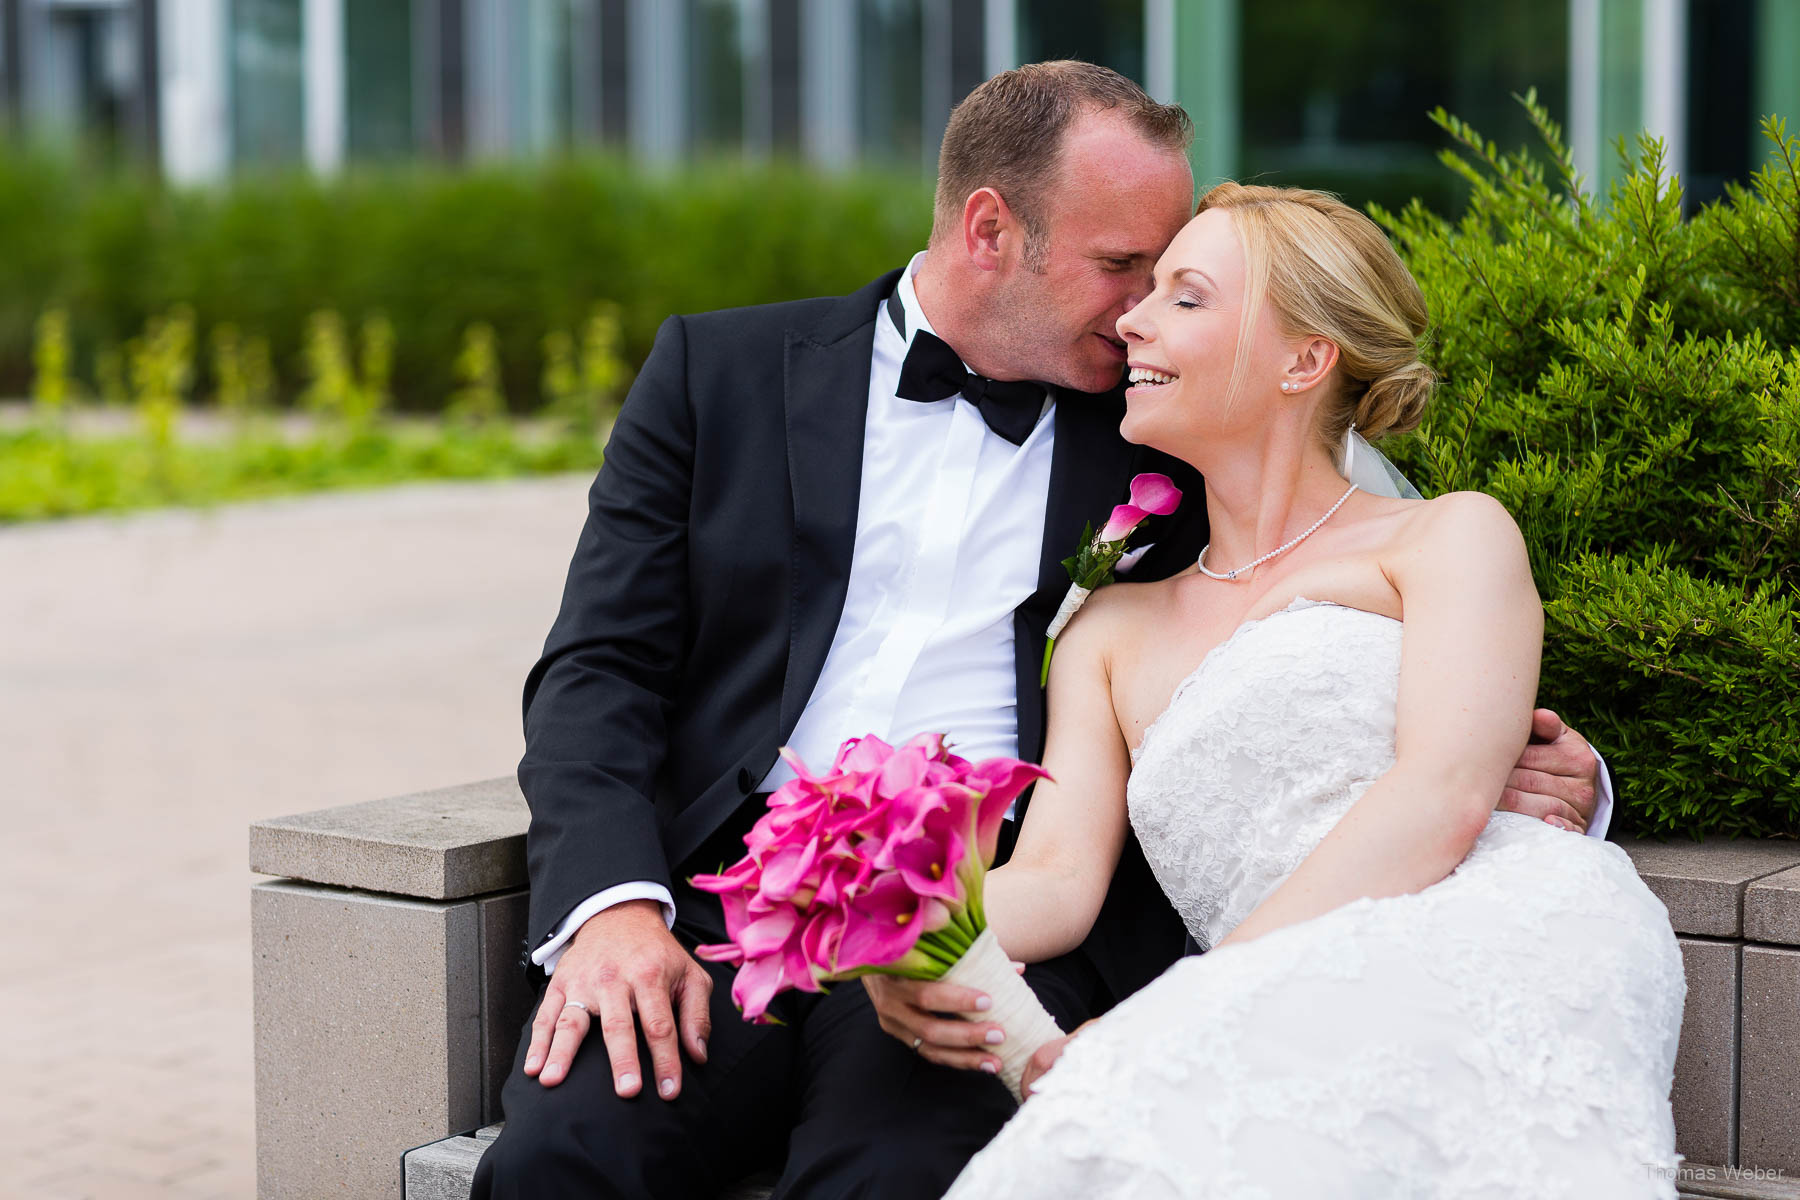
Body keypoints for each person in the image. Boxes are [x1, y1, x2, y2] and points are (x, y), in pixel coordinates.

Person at [472, 64, 1611, 1200]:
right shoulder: (714, 374)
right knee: (553, 1165)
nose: (1138, 312)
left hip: (1000, 923)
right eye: (1124, 267)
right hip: (728, 911)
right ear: (990, 229)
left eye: (1170, 282)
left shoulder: (1167, 423)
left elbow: (1310, 605)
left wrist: (1530, 758)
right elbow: (598, 670)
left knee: (899, 1176)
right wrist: (614, 906)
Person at [925, 184, 1684, 1199]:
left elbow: (1442, 797)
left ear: (1304, 359)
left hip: (1495, 930)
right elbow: (1058, 882)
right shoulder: (1108, 628)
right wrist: (893, 916)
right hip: (1256, 996)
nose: (1131, 319)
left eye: (1183, 297)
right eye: (1141, 292)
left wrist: (1196, 1005)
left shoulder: (1448, 538)